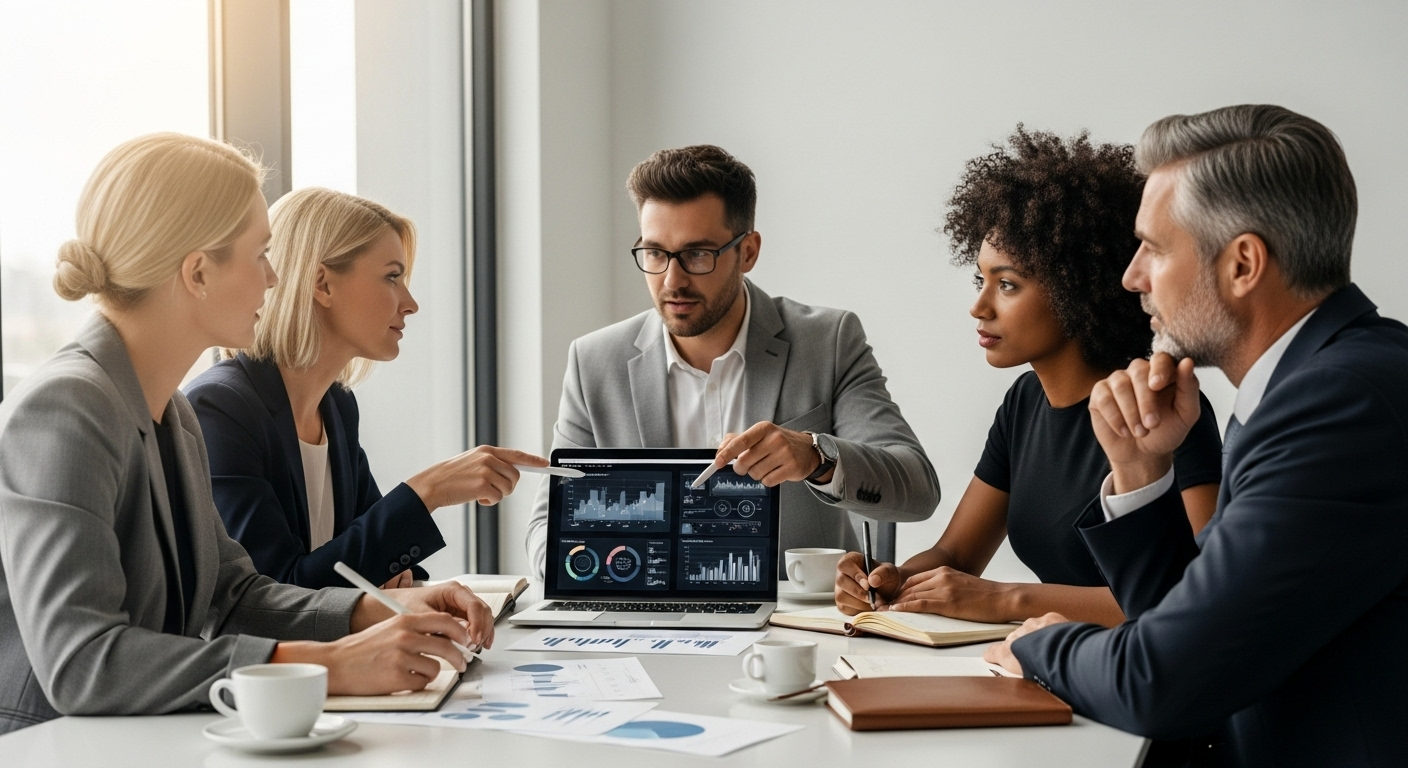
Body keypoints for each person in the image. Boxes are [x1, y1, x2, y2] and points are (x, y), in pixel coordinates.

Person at [0, 134, 494, 735]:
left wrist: (377, 609)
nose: (274, 277)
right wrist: (331, 665)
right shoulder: (65, 409)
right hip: (48, 745)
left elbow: (234, 596)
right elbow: (82, 662)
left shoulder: (173, 413)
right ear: (198, 273)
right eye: (261, 254)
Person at [984, 105, 1408, 767]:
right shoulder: (1312, 384)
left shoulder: (1337, 404)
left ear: (1243, 265)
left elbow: (1165, 682)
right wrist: (1140, 472)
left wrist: (1037, 645)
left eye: (1153, 248)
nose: (1131, 277)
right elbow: (1200, 632)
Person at [834, 128, 1222, 627]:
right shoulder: (1024, 402)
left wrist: (1008, 599)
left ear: (1078, 290)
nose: (979, 306)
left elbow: (1196, 599)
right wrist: (890, 582)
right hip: (1046, 656)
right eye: (982, 279)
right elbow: (956, 554)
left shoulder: (1159, 411)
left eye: (1008, 284)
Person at [525, 145, 940, 580]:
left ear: (748, 252)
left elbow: (918, 489)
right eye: (655, 253)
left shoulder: (827, 342)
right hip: (642, 606)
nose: (672, 281)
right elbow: (545, 527)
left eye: (697, 254)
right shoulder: (594, 362)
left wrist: (817, 457)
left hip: (791, 614)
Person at [185, 187, 546, 590]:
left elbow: (377, 559)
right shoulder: (220, 410)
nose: (410, 303)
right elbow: (277, 596)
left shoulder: (337, 407)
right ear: (322, 284)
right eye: (392, 277)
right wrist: (429, 490)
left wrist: (390, 572)